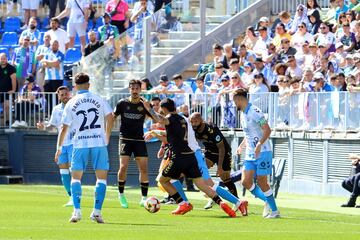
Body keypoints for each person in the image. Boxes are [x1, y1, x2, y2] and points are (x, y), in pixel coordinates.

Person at [142, 97, 236, 217]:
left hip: (178, 157)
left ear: (164, 109)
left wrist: (149, 109)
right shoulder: (183, 119)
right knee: (202, 185)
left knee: (163, 180)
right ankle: (223, 205)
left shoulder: (170, 118)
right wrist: (156, 132)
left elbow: (160, 119)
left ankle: (182, 203)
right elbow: (171, 133)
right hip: (190, 156)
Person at [54, 72, 113, 223]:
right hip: (99, 143)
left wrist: (59, 147)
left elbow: (64, 128)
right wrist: (106, 136)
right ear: (89, 84)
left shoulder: (71, 103)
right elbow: (110, 117)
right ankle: (97, 212)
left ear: (74, 86)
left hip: (79, 143)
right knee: (101, 178)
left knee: (75, 178)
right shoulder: (98, 99)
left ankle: (77, 212)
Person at [233, 89, 280, 219]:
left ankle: (275, 211)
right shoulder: (243, 113)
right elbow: (250, 132)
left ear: (239, 99)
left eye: (234, 101)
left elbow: (267, 130)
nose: (234, 103)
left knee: (262, 182)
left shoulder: (254, 111)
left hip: (263, 152)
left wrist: (259, 144)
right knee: (245, 181)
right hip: (250, 153)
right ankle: (267, 200)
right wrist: (242, 145)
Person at [107, 79, 152, 208]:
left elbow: (155, 117)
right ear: (129, 89)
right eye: (132, 88)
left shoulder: (144, 104)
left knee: (143, 168)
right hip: (125, 138)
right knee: (123, 167)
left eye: (137, 88)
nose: (134, 91)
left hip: (139, 139)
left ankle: (144, 198)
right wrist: (107, 133)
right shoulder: (122, 103)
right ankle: (121, 194)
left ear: (140, 90)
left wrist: (149, 109)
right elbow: (112, 117)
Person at [189, 113, 247, 209]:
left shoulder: (211, 129)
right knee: (201, 172)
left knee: (226, 178)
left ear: (201, 120)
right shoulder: (193, 130)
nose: (194, 124)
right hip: (210, 152)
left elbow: (221, 148)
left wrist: (219, 167)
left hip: (223, 152)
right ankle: (214, 197)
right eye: (192, 122)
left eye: (196, 121)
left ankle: (237, 201)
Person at [37, 86, 73, 207]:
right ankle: (71, 197)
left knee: (74, 171)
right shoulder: (56, 109)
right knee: (63, 172)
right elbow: (52, 126)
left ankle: (76, 197)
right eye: (61, 94)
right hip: (61, 144)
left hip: (75, 143)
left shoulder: (75, 106)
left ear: (69, 94)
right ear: (58, 96)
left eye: (66, 94)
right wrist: (44, 127)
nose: (64, 96)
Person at [42, 40, 65, 112]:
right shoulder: (47, 54)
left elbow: (56, 63)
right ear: (50, 46)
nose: (54, 46)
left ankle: (58, 114)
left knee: (57, 98)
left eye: (55, 45)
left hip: (57, 79)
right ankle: (49, 114)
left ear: (58, 46)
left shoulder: (61, 54)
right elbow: (43, 64)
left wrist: (48, 64)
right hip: (48, 79)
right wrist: (53, 64)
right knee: (48, 98)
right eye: (53, 45)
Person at [0, 53, 16, 126]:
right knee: (3, 107)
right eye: (1, 59)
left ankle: (7, 122)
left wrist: (13, 90)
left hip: (7, 91)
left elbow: (13, 80)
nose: (3, 60)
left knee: (6, 106)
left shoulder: (11, 68)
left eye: (4, 58)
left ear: (7, 59)